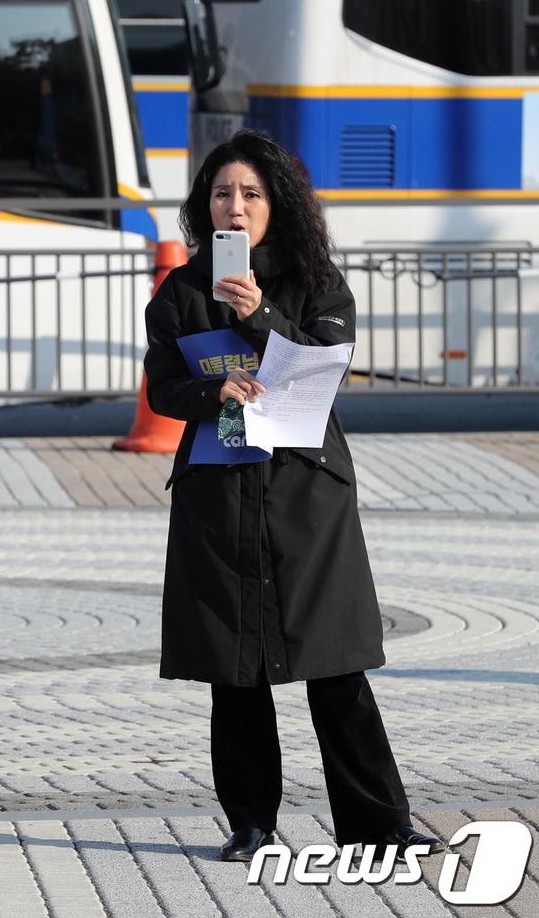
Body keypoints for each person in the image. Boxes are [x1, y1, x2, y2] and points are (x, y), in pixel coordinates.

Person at [143, 128, 443, 863]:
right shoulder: (181, 289)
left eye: (250, 194)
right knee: (234, 668)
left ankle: (380, 822)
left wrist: (258, 317)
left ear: (277, 204)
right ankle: (251, 820)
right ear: (203, 206)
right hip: (218, 496)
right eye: (221, 194)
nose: (235, 208)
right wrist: (215, 387)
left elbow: (322, 369)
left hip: (308, 495)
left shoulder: (318, 281)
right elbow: (163, 387)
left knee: (334, 663)